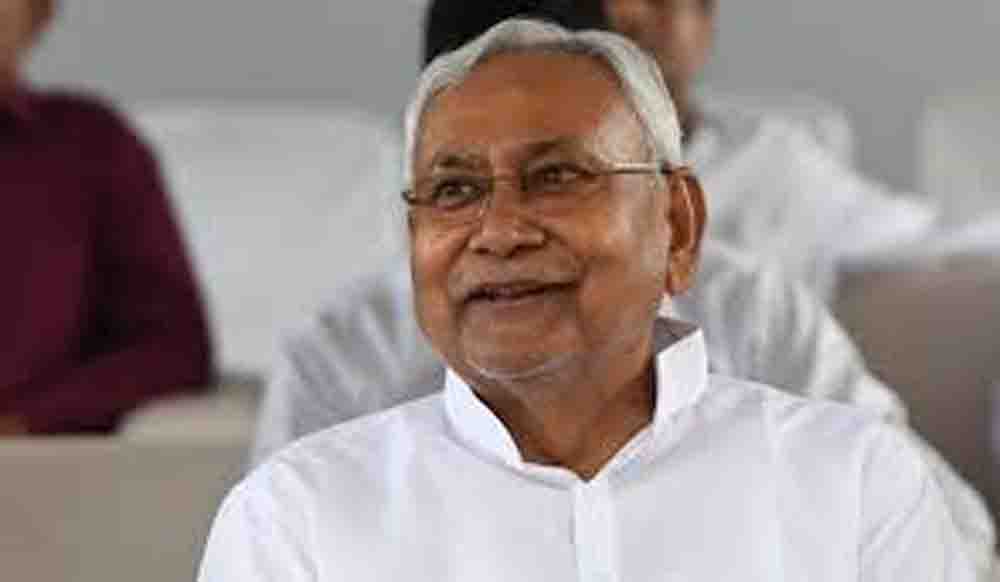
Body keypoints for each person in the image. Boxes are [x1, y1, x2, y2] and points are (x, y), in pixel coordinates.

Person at [202, 20, 974, 579]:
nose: (499, 231)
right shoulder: (295, 517)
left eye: (557, 177)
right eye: (455, 190)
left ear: (677, 227)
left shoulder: (853, 482)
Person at [0, 0, 213, 434]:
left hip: (33, 457)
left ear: (40, 13)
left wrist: (26, 421)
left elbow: (174, 348)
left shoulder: (93, 146)